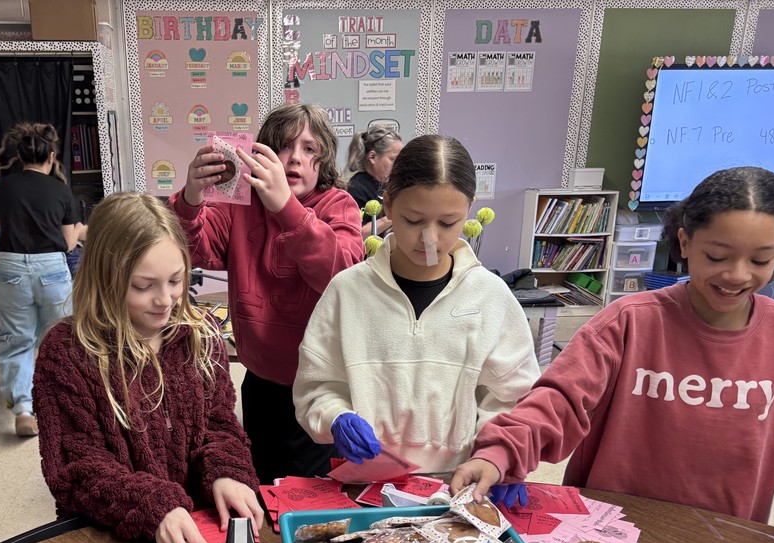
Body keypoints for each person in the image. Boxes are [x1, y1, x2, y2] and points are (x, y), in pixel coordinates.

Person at [450, 166, 774, 524]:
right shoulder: (630, 321)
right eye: (718, 257)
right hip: (609, 528)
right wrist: (501, 451)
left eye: (760, 260)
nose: (737, 274)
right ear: (686, 243)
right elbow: (559, 399)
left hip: (728, 538)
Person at [294, 135, 539, 504]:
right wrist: (335, 416)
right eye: (413, 220)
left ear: (469, 210)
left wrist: (502, 454)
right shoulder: (347, 292)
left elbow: (514, 398)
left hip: (461, 486)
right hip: (366, 488)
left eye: (448, 222)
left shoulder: (489, 296)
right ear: (388, 205)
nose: (430, 238)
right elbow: (317, 386)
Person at [33, 193, 263, 543]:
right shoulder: (69, 352)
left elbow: (219, 422)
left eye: (175, 280)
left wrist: (227, 471)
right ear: (105, 277)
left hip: (198, 533)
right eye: (143, 286)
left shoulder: (201, 335)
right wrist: (153, 505)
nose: (165, 299)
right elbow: (76, 467)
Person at [169, 102, 364, 484]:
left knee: (313, 494)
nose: (295, 158)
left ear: (322, 161)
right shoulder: (241, 204)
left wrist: (286, 208)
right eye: (284, 147)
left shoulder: (337, 204)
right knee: (261, 484)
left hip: (320, 389)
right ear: (263, 154)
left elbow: (342, 272)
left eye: (309, 149)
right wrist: (191, 196)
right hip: (259, 380)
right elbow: (194, 249)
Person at [0, 122, 83, 437]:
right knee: (58, 340)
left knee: (16, 339)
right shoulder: (62, 191)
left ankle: (24, 409)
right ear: (51, 157)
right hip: (51, 268)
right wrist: (80, 230)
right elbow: (67, 244)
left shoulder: (5, 186)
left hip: (10, 268)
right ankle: (61, 406)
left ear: (22, 155)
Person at [344, 126, 403, 238]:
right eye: (393, 159)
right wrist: (393, 216)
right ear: (372, 157)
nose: (399, 165)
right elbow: (357, 233)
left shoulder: (391, 184)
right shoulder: (355, 188)